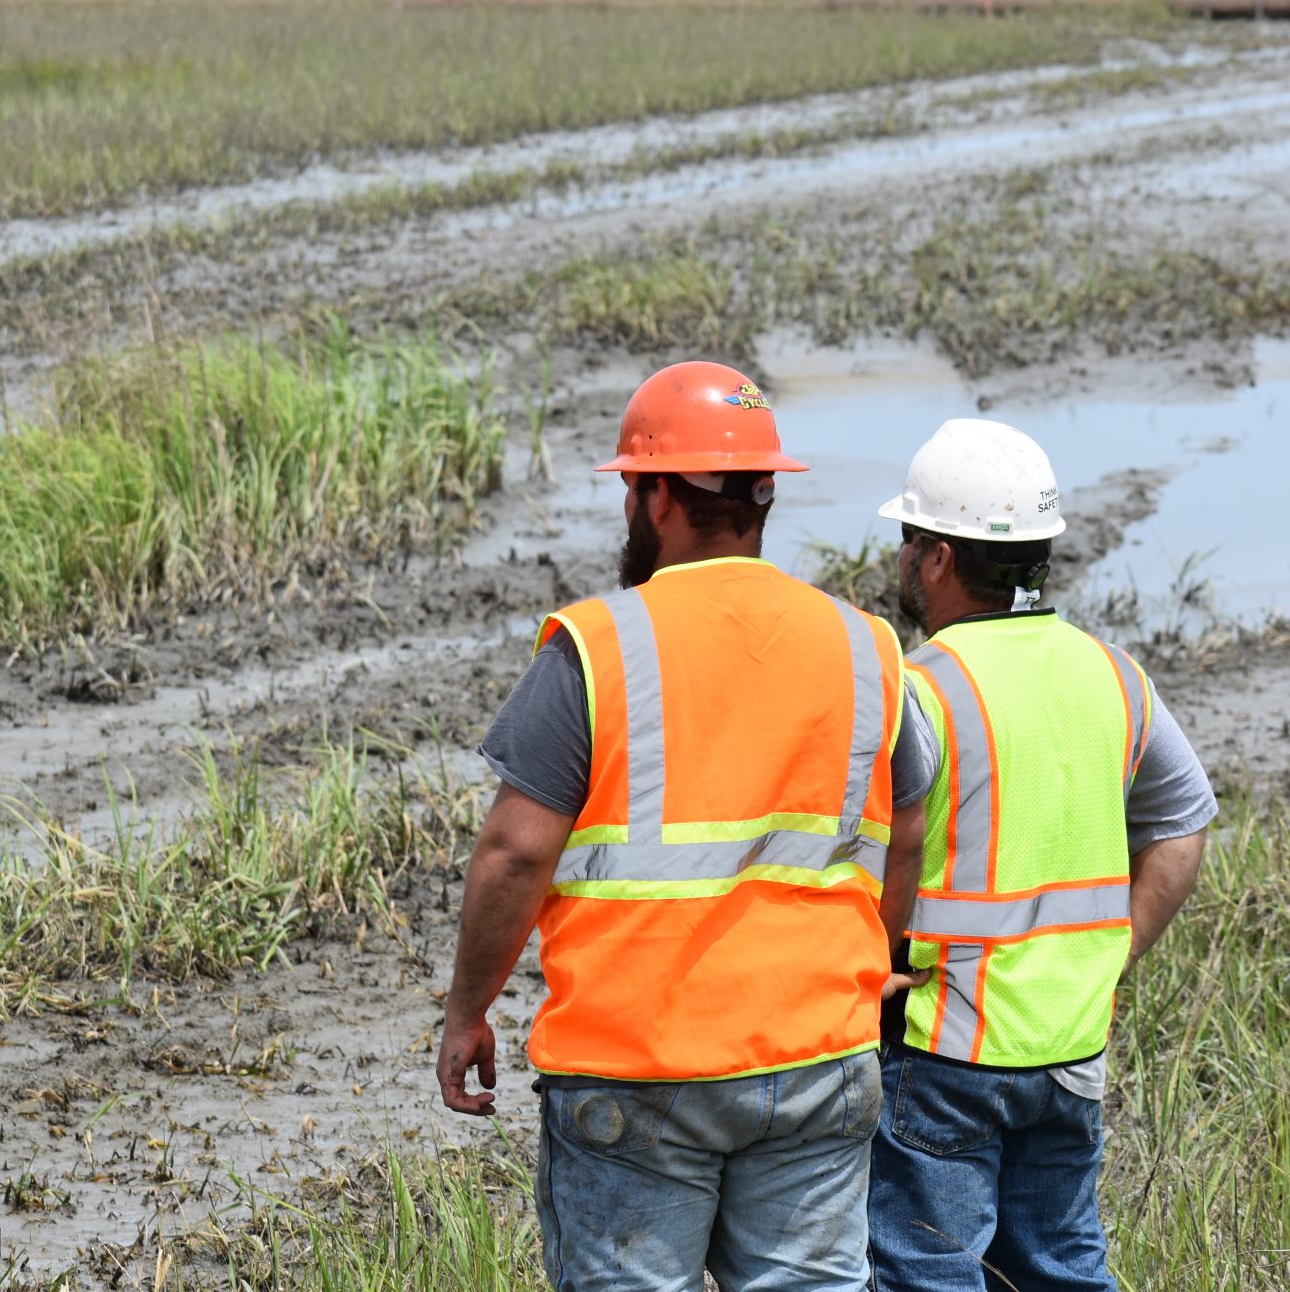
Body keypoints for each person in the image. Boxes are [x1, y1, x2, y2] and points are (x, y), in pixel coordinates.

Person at [438, 360, 935, 1292]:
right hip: (818, 1059)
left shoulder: (597, 645)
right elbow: (905, 834)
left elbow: (515, 851)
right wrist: (868, 967)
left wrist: (468, 1010)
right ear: (762, 497)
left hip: (636, 1066)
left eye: (634, 486)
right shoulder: (863, 645)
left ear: (659, 495)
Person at [868, 418, 1218, 1292]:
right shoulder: (1115, 674)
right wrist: (1115, 950)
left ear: (939, 557)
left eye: (909, 539)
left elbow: (877, 853)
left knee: (929, 1274)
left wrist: (869, 964)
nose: (901, 558)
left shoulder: (922, 685)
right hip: (1070, 1048)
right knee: (1062, 1271)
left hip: (948, 1041)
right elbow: (1185, 823)